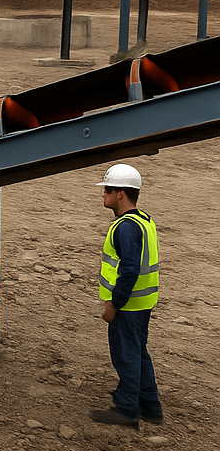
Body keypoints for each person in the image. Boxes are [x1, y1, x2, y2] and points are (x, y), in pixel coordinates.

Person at [89, 163, 163, 427]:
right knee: (138, 352)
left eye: (107, 189)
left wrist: (114, 304)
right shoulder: (144, 220)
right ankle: (151, 407)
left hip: (128, 305)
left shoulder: (125, 227)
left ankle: (127, 409)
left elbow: (130, 270)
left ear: (121, 193)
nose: (103, 193)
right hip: (144, 302)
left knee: (126, 355)